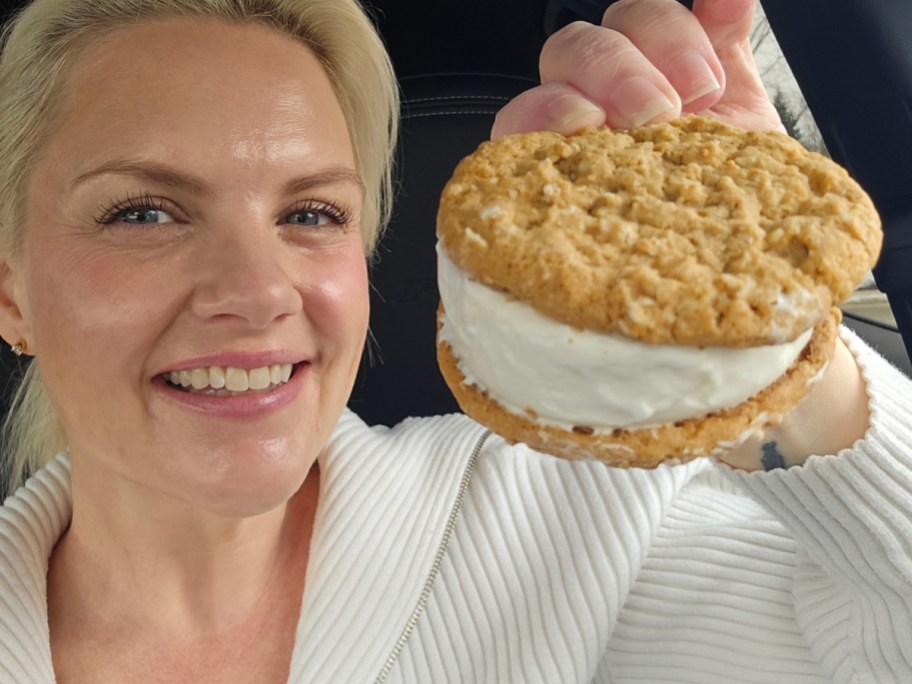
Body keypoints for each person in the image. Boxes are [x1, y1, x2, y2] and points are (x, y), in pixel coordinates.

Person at [0, 0, 907, 682]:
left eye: (312, 213)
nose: (258, 291)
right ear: (12, 293)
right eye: (142, 211)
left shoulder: (575, 521)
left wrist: (765, 335)